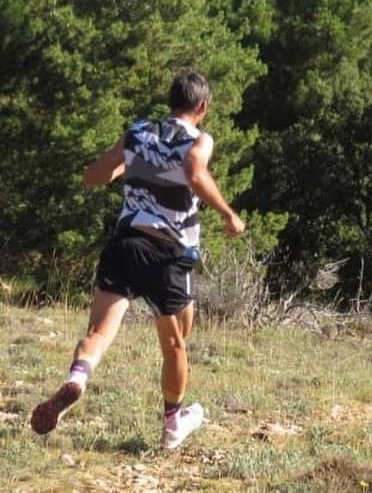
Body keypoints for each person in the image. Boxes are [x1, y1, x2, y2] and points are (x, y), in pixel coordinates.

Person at [30, 69, 246, 450]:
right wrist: (229, 214)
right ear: (203, 107)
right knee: (176, 345)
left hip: (126, 243)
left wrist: (126, 167)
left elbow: (93, 176)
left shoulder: (138, 132)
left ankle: (77, 379)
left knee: (98, 331)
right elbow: (195, 173)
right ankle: (172, 426)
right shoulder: (199, 138)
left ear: (170, 101)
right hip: (168, 254)